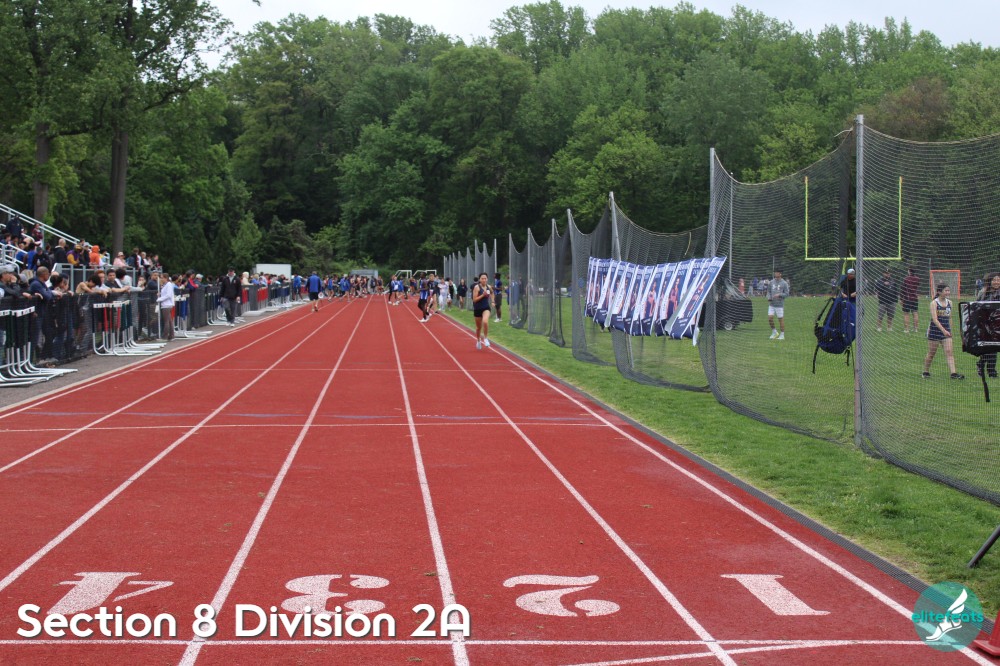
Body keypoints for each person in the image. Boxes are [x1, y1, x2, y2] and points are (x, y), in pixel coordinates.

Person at [922, 284, 963, 379]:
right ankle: (925, 371)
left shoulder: (950, 303)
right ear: (939, 292)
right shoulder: (934, 303)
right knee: (932, 353)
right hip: (934, 331)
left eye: (948, 290)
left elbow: (949, 317)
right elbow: (935, 319)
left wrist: (949, 330)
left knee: (949, 352)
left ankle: (953, 374)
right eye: (946, 290)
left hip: (946, 332)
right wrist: (943, 330)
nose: (948, 292)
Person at [975, 272, 1000, 379]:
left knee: (994, 347)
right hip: (985, 324)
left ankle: (988, 369)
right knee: (989, 347)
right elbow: (977, 306)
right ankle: (988, 370)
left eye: (998, 280)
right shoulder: (983, 292)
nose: (996, 282)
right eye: (994, 280)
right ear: (990, 281)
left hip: (997, 324)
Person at [767, 269, 790, 340]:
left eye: (777, 273)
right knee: (770, 318)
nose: (775, 274)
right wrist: (769, 297)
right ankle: (774, 332)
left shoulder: (784, 283)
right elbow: (768, 291)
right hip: (771, 304)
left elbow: (787, 294)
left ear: (780, 274)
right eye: (775, 273)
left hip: (779, 305)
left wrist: (779, 295)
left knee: (780, 319)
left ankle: (782, 335)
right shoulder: (771, 282)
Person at [472, 272, 492, 349]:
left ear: (487, 279)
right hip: (477, 309)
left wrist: (493, 301)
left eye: (485, 278)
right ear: (479, 279)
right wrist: (483, 295)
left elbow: (492, 293)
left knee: (485, 321)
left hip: (486, 308)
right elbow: (474, 300)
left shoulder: (489, 287)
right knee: (478, 328)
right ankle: (478, 340)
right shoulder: (477, 287)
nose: (484, 280)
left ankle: (485, 338)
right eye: (482, 278)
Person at [157, 272, 176, 341]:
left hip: (166, 305)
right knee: (169, 321)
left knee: (166, 321)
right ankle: (171, 335)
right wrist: (160, 295)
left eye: (162, 278)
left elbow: (168, 295)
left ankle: (165, 336)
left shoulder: (168, 285)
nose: (161, 279)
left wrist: (160, 299)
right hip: (167, 304)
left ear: (166, 278)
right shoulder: (166, 285)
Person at [901, 267, 920, 333]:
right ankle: (915, 329)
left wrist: (901, 298)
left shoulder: (906, 279)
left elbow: (903, 289)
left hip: (907, 298)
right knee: (915, 313)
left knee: (906, 314)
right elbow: (917, 287)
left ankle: (906, 329)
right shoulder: (918, 279)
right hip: (915, 299)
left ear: (909, 271)